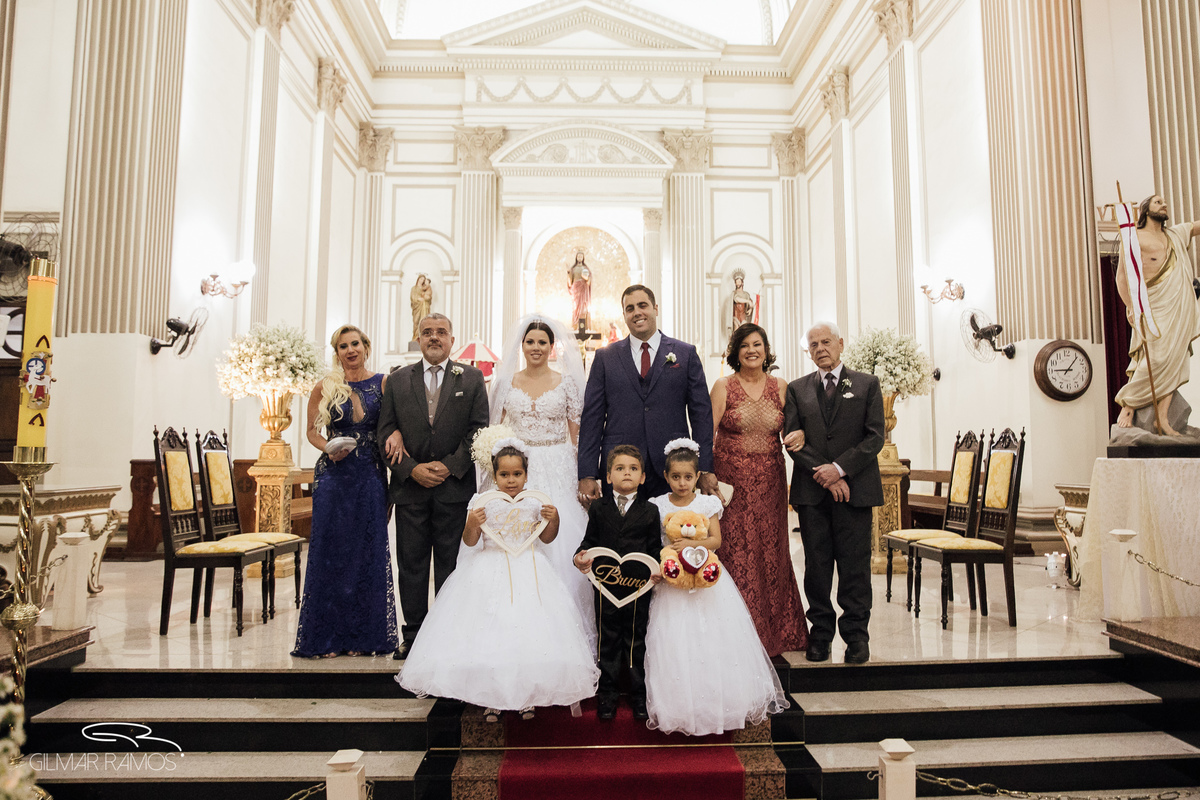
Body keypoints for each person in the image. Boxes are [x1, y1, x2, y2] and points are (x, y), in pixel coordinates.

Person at [397, 440, 599, 720]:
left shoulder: (535, 501)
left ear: (526, 475)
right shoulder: (482, 503)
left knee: (528, 632)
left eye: (517, 474)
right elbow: (470, 542)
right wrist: (472, 524)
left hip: (530, 567)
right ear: (495, 476)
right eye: (504, 475)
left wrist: (553, 520)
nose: (511, 480)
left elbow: (546, 538)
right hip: (489, 569)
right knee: (492, 633)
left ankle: (527, 696)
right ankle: (493, 697)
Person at [643, 440, 788, 736]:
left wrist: (692, 544)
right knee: (675, 638)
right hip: (673, 583)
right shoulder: (658, 504)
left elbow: (716, 541)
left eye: (688, 477)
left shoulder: (706, 503)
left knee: (709, 636)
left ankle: (717, 702)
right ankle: (680, 705)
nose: (682, 483)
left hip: (706, 580)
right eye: (675, 477)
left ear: (697, 477)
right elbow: (656, 542)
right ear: (666, 476)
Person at [378, 312, 489, 660]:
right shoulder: (396, 381)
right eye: (427, 332)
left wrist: (451, 465)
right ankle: (412, 635)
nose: (434, 337)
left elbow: (478, 430)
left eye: (441, 332)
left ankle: (446, 633)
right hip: (410, 490)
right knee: (410, 564)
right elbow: (384, 433)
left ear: (452, 339)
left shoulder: (471, 379)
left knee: (450, 565)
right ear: (418, 338)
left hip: (453, 488)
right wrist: (411, 470)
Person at [489, 315, 595, 647]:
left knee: (561, 542)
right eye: (530, 342)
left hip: (559, 464)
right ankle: (519, 629)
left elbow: (578, 434)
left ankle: (565, 636)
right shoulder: (505, 383)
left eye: (542, 342)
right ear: (522, 346)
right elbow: (497, 430)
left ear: (552, 347)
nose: (536, 347)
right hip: (518, 470)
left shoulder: (566, 384)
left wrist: (584, 476)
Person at [293, 325, 397, 658]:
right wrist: (328, 447)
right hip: (334, 478)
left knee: (367, 554)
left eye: (355, 344)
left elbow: (393, 425)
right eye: (342, 346)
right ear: (336, 352)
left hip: (370, 475)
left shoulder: (383, 382)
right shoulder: (325, 386)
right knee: (331, 553)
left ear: (366, 347)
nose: (350, 350)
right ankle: (327, 639)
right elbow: (310, 430)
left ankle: (364, 637)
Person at [783, 322, 884, 665]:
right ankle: (820, 635)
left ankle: (856, 637)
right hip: (813, 494)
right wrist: (825, 475)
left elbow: (874, 437)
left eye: (826, 342)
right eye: (813, 344)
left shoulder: (867, 384)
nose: (820, 348)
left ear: (840, 344)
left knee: (855, 568)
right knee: (817, 567)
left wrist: (839, 469)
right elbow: (793, 440)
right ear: (808, 351)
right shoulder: (797, 390)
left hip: (855, 492)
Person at [710, 323, 809, 657]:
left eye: (758, 344)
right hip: (731, 484)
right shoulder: (724, 386)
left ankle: (778, 630)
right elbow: (707, 434)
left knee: (771, 550)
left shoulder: (780, 387)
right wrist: (706, 479)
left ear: (766, 350)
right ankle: (734, 630)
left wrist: (801, 437)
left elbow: (793, 431)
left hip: (771, 481)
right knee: (736, 551)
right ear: (735, 352)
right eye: (745, 346)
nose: (752, 350)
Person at [577, 284, 716, 503]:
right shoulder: (605, 358)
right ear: (624, 315)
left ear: (655, 309)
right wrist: (587, 473)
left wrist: (705, 467)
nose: (637, 312)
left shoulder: (685, 354)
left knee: (671, 533)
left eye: (643, 305)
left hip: (673, 466)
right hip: (620, 467)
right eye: (630, 308)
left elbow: (702, 415)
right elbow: (592, 418)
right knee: (621, 535)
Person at [573, 445, 662, 721]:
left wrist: (657, 570)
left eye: (633, 469)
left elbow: (655, 548)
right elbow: (590, 542)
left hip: (637, 586)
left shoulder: (650, 510)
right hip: (605, 585)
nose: (627, 473)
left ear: (643, 477)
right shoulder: (598, 508)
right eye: (620, 469)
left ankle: (638, 694)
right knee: (607, 638)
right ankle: (607, 693)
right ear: (608, 476)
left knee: (635, 638)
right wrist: (580, 557)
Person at [1115, 195, 1200, 435]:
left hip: (1178, 305)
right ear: (1145, 210)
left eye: (1165, 202)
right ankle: (1128, 404)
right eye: (1158, 202)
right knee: (1154, 357)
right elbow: (1122, 276)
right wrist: (1130, 305)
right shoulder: (1133, 237)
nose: (1164, 205)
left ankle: (1162, 419)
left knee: (1176, 357)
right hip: (1152, 303)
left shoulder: (1174, 235)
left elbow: (1195, 226)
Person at [567, 251, 591, 330]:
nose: (580, 258)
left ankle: (584, 326)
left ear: (583, 258)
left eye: (581, 256)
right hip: (576, 289)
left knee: (583, 307)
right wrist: (568, 272)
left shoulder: (586, 268)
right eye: (578, 256)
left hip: (583, 289)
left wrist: (585, 278)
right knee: (576, 307)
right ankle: (575, 325)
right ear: (576, 258)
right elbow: (570, 283)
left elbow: (588, 282)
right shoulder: (573, 269)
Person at [410, 274, 432, 343]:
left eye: (423, 279)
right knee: (416, 322)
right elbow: (412, 297)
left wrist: (425, 298)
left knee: (423, 321)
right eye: (420, 279)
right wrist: (418, 299)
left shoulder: (425, 288)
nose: (421, 280)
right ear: (418, 279)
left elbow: (429, 296)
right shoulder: (414, 288)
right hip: (417, 308)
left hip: (423, 307)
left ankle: (422, 337)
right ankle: (415, 336)